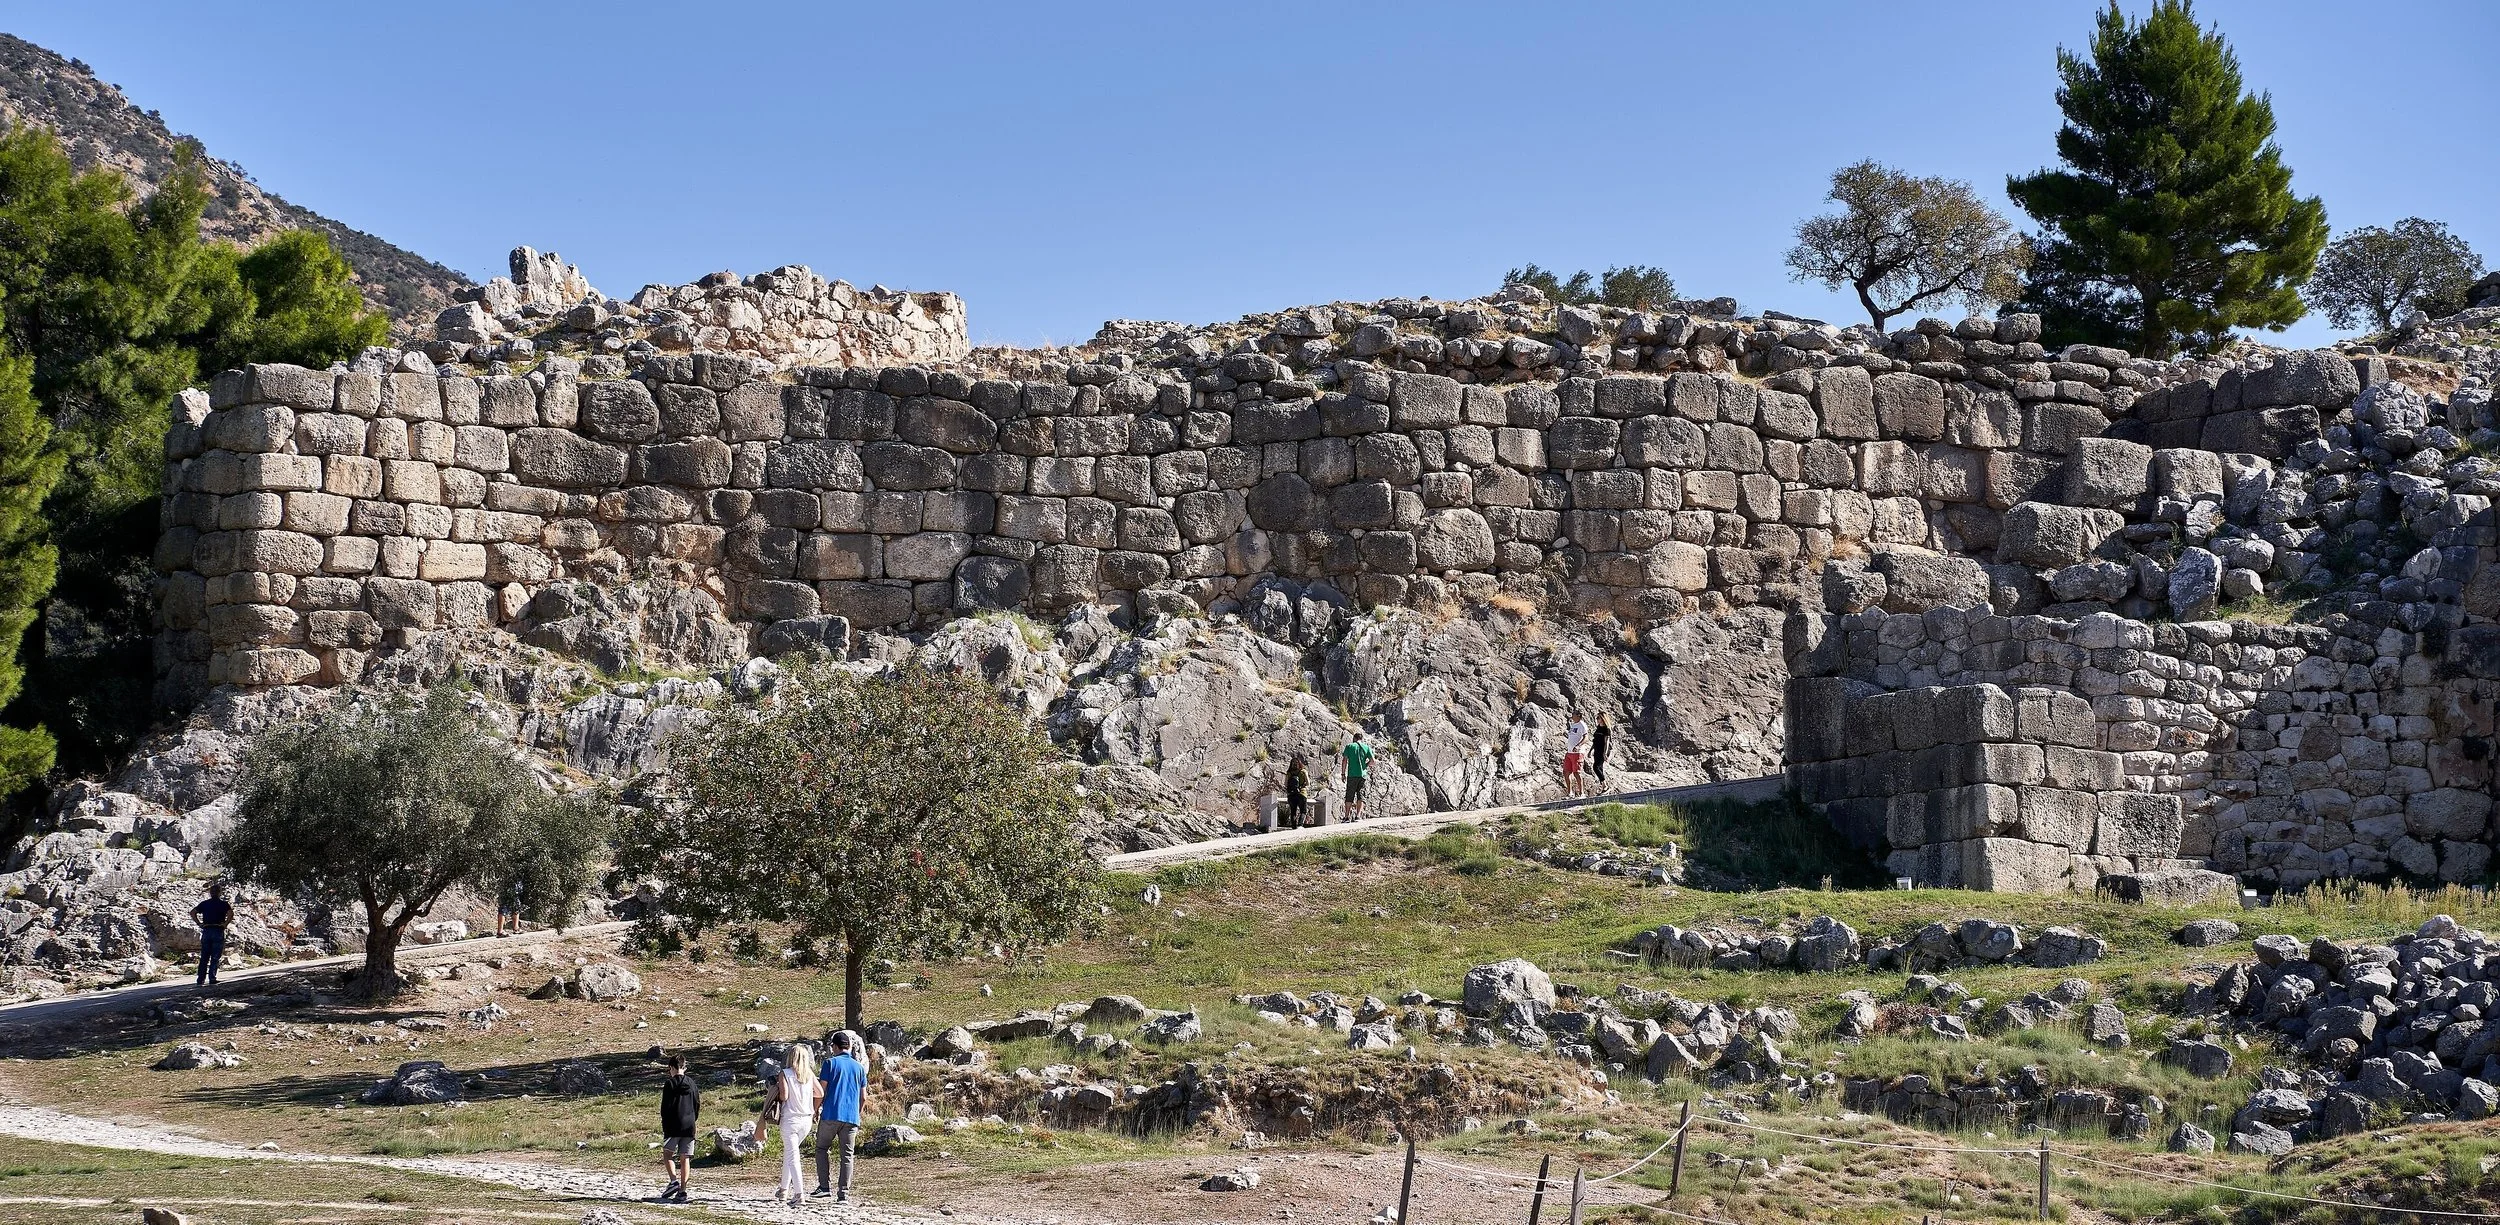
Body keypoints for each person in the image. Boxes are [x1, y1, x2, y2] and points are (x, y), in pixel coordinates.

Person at [814, 1030, 869, 1201]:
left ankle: (824, 1186)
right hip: (851, 1117)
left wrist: (815, 1109)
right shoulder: (859, 1068)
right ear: (850, 1047)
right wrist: (857, 1113)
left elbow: (821, 1091)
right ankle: (843, 1193)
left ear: (834, 1047)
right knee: (847, 1155)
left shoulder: (830, 1064)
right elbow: (864, 1097)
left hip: (831, 1114)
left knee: (822, 1148)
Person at [763, 1041, 817, 1207]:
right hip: (806, 1119)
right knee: (790, 1152)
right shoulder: (809, 1074)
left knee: (793, 1156)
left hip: (791, 1119)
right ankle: (783, 1189)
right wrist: (813, 1108)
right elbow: (820, 1093)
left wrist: (776, 1091)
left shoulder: (785, 1073)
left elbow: (784, 1096)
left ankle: (799, 1193)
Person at [658, 1052, 699, 1203]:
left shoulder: (669, 1084)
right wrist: (693, 1120)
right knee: (685, 1158)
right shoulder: (692, 1083)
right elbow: (697, 1104)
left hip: (673, 1124)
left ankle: (673, 1181)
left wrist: (665, 1123)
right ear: (684, 1067)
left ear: (671, 1068)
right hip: (689, 1125)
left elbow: (665, 1107)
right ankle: (682, 1191)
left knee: (668, 1154)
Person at [190, 882, 233, 988]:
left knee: (204, 956)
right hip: (218, 929)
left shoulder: (204, 904)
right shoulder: (223, 904)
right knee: (215, 956)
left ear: (210, 893)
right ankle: (212, 978)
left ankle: (200, 979)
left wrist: (199, 923)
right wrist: (225, 924)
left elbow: (193, 912)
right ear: (220, 893)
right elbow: (231, 914)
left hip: (207, 929)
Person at [1341, 732, 1374, 819]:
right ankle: (1358, 816)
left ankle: (1346, 816)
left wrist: (1343, 773)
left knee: (1349, 796)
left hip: (1352, 775)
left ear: (1354, 738)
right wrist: (1365, 766)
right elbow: (1373, 761)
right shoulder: (1366, 747)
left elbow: (1344, 760)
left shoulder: (1349, 746)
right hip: (1362, 775)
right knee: (1361, 795)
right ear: (1361, 739)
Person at [1562, 714, 1589, 799]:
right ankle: (1570, 793)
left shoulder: (1582, 724)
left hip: (1578, 752)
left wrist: (1578, 746)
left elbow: (1586, 737)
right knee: (1566, 772)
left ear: (1578, 716)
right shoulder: (1573, 725)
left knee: (1576, 772)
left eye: (1573, 715)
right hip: (1569, 752)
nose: (1572, 716)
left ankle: (1582, 793)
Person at [1283, 753, 1309, 830]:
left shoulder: (1289, 773)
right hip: (1302, 793)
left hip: (1291, 794)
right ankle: (1300, 825)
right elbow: (1308, 783)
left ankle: (1294, 827)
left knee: (1293, 811)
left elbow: (1285, 784)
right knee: (1303, 811)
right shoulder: (1303, 771)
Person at [1590, 713, 1612, 791]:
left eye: (1598, 718)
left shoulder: (1606, 729)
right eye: (1597, 718)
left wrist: (1605, 753)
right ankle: (1603, 787)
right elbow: (1595, 740)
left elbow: (1607, 742)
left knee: (1595, 767)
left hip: (1603, 750)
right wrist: (1590, 751)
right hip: (1596, 749)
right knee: (1600, 768)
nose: (1597, 719)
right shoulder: (1598, 728)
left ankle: (1605, 785)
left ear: (1603, 718)